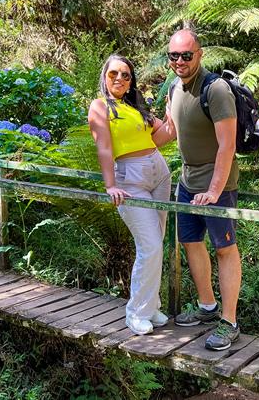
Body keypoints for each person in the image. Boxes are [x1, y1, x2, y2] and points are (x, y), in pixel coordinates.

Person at [164, 29, 242, 351]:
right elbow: (169, 131)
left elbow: (227, 145)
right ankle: (207, 307)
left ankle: (229, 321)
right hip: (186, 183)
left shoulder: (217, 90)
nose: (180, 61)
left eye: (186, 55)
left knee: (225, 249)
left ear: (200, 54)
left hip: (217, 186)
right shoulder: (173, 88)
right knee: (190, 242)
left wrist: (213, 190)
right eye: (174, 56)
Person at [88, 54, 176, 336]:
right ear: (105, 76)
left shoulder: (135, 107)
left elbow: (162, 137)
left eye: (126, 75)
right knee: (150, 245)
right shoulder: (100, 107)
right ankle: (136, 312)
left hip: (159, 173)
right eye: (114, 73)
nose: (119, 79)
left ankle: (151, 306)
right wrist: (110, 185)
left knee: (157, 243)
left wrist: (171, 112)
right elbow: (103, 147)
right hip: (131, 178)